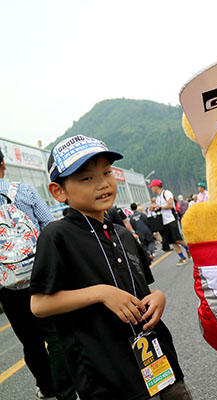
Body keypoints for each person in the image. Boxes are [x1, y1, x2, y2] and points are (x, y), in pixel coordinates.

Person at [29, 135, 193, 400]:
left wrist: (157, 297)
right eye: (86, 178)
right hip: (106, 374)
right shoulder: (57, 236)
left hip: (157, 359)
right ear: (59, 191)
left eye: (106, 172)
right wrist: (101, 293)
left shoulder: (122, 233)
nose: (102, 183)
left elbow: (143, 290)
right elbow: (39, 304)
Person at [0, 150, 77, 400]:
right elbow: (48, 227)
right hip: (40, 276)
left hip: (7, 285)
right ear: (3, 166)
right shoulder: (23, 191)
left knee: (29, 340)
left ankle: (47, 388)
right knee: (54, 335)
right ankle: (67, 390)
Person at [148, 179, 190, 265]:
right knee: (172, 241)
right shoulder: (158, 198)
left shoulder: (166, 193)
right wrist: (153, 208)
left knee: (178, 239)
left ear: (156, 187)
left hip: (171, 220)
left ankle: (189, 249)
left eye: (152, 187)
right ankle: (182, 257)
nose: (151, 189)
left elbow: (170, 205)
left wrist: (159, 207)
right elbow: (159, 208)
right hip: (163, 222)